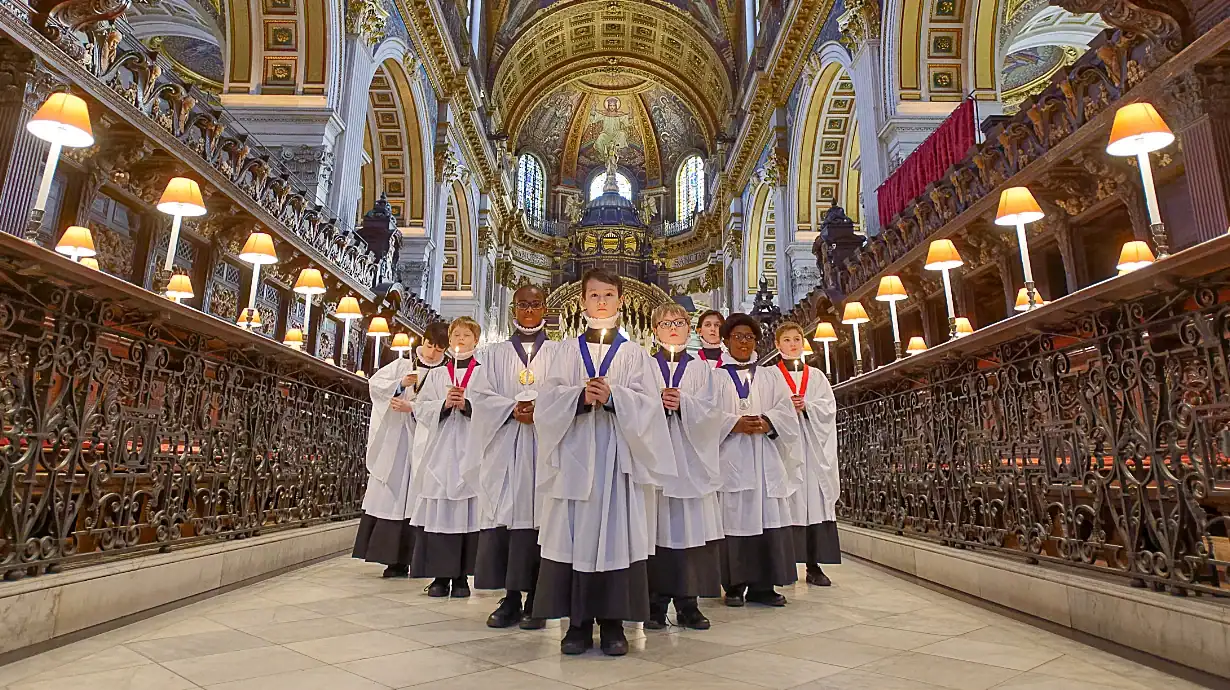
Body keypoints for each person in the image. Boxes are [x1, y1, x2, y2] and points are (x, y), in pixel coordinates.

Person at [532, 268, 676, 656]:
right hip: (575, 453)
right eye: (593, 295)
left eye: (608, 295)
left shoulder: (634, 354)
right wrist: (577, 398)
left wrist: (614, 397)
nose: (600, 302)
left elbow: (650, 406)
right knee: (574, 538)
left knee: (616, 536)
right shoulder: (563, 351)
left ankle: (614, 625)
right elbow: (546, 402)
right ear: (581, 301)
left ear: (621, 301)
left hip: (617, 460)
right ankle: (576, 625)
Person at [467, 285, 557, 630]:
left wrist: (541, 409)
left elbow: (566, 392)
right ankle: (511, 597)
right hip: (506, 446)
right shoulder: (495, 354)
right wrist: (512, 408)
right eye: (523, 305)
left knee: (541, 519)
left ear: (545, 307)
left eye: (536, 304)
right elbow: (480, 395)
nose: (530, 310)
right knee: (506, 516)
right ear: (513, 309)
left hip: (543, 447)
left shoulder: (559, 352)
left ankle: (537, 597)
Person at [645, 303, 725, 631]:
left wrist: (685, 404)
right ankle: (655, 602)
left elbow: (713, 413)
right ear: (654, 330)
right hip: (656, 462)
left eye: (679, 322)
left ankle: (688, 603)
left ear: (689, 328)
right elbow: (630, 408)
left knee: (689, 532)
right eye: (665, 323)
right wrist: (655, 404)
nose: (673, 328)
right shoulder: (644, 368)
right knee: (656, 531)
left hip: (691, 461)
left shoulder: (702, 370)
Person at [713, 313, 802, 607]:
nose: (743, 342)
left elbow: (786, 410)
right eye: (737, 337)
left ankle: (764, 587)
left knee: (767, 519)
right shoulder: (715, 377)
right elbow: (702, 416)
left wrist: (769, 422)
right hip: (732, 458)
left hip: (765, 458)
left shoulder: (769, 376)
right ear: (726, 341)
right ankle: (735, 586)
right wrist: (732, 423)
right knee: (735, 520)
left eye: (749, 337)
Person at [352, 322, 449, 577]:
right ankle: (393, 560)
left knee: (420, 494)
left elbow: (445, 407)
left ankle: (418, 558)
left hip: (427, 441)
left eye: (438, 350)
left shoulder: (445, 374)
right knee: (394, 494)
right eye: (429, 346)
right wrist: (399, 384)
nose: (431, 354)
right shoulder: (404, 364)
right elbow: (376, 386)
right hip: (398, 440)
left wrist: (416, 409)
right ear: (423, 341)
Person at [408, 316, 483, 597]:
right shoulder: (439, 374)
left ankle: (462, 578)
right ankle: (440, 577)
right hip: (440, 451)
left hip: (468, 449)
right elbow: (420, 407)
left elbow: (490, 408)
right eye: (456, 335)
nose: (460, 340)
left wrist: (468, 405)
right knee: (439, 513)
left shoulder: (481, 373)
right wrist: (442, 404)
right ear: (449, 341)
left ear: (476, 340)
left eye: (466, 335)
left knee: (466, 514)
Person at [774, 322, 840, 586]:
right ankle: (784, 564)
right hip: (785, 450)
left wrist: (808, 406)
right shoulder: (771, 376)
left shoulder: (817, 376)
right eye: (787, 340)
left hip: (812, 449)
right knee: (787, 504)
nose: (792, 344)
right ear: (778, 345)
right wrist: (786, 410)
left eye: (797, 339)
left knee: (814, 502)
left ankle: (814, 565)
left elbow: (829, 408)